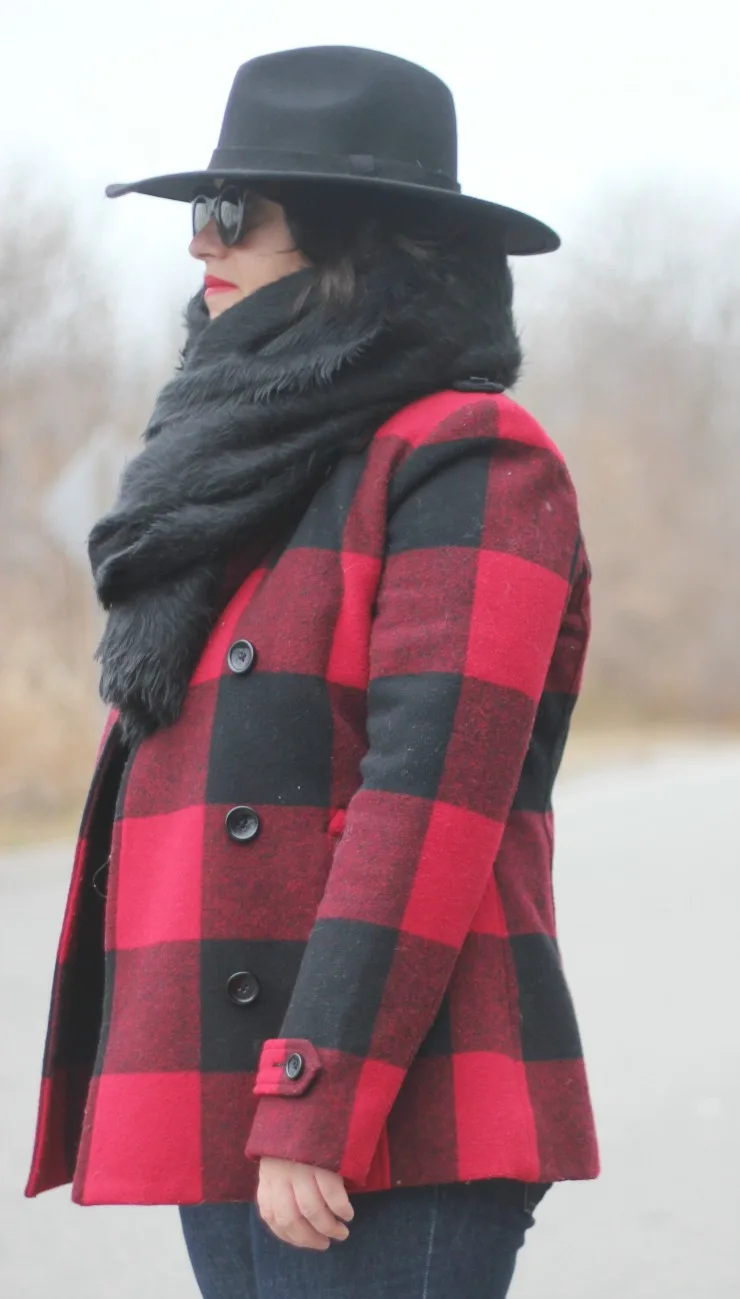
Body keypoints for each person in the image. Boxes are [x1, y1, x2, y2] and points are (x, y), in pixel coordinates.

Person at [25, 45, 599, 1299]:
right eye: (198, 210)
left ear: (351, 245)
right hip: (232, 1086)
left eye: (232, 215)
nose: (199, 246)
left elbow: (426, 806)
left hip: (381, 1107)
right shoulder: (240, 473)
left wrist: (314, 1098)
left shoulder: (472, 457)